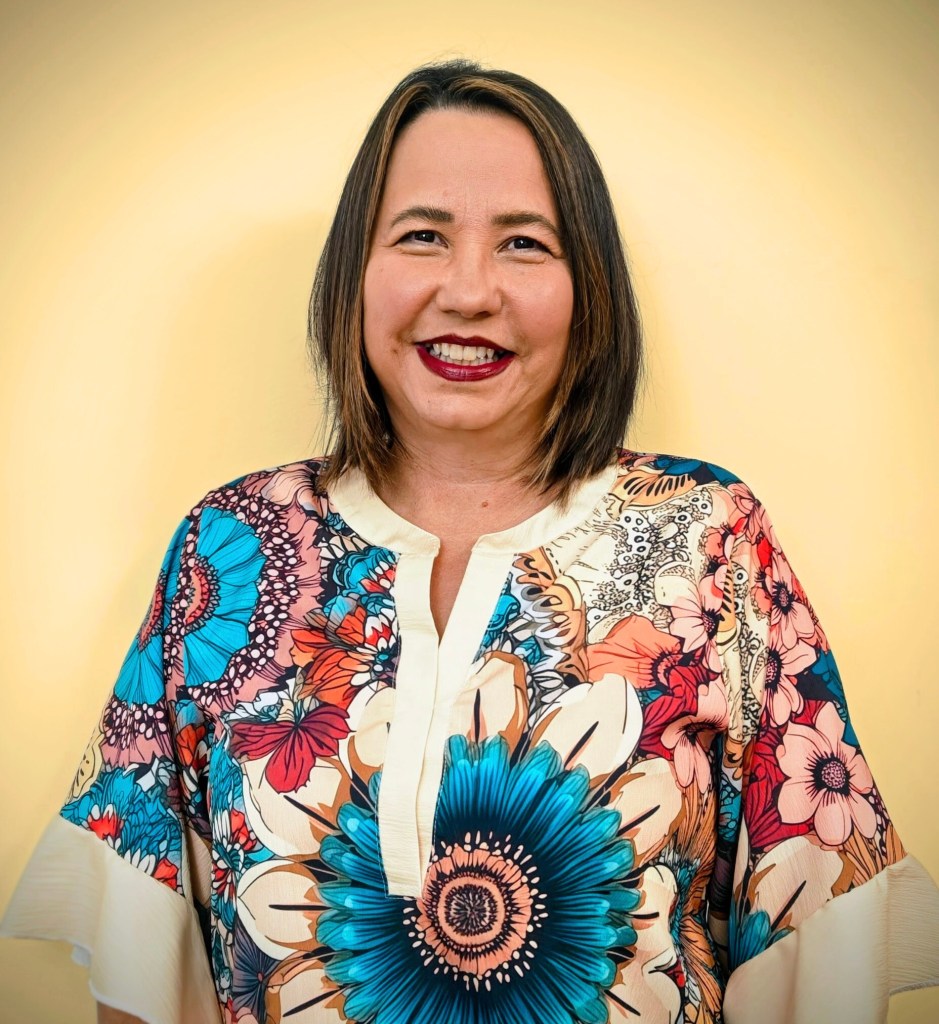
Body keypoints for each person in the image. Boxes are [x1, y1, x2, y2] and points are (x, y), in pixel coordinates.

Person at [2, 59, 938, 1024]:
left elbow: (814, 940)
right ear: (354, 273)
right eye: (422, 235)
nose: (469, 291)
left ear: (588, 288)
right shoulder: (231, 545)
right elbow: (146, 957)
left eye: (524, 243)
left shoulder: (706, 537)